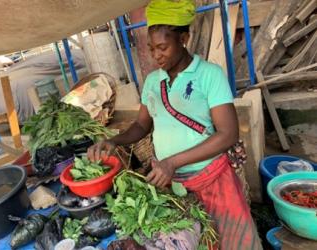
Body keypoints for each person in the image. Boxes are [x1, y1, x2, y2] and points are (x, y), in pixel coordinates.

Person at [88, 0, 262, 249]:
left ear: (184, 38)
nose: (155, 55)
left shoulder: (209, 75)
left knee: (233, 240)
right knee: (189, 241)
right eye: (151, 48)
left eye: (162, 47)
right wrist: (113, 141)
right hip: (172, 185)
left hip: (213, 180)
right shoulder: (151, 82)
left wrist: (172, 162)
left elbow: (228, 134)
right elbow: (141, 126)